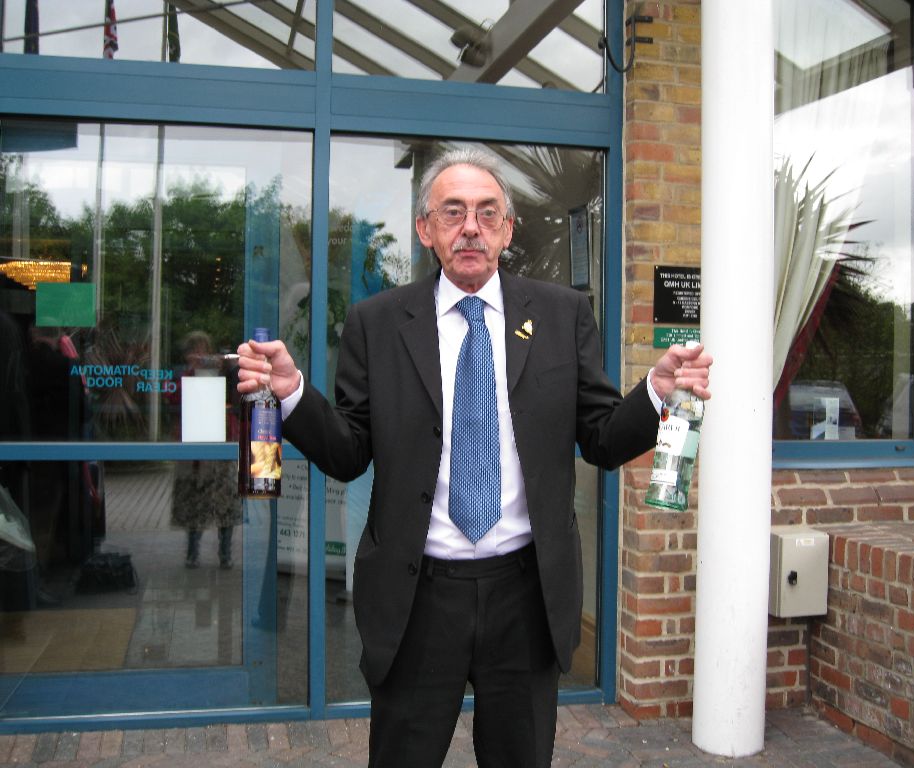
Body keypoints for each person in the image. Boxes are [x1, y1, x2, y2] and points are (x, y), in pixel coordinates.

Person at [236, 148, 713, 768]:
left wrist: (656, 393)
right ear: (425, 229)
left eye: (488, 214)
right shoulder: (377, 323)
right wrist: (292, 392)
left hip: (526, 595)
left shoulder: (562, 315)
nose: (471, 228)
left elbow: (602, 438)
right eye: (453, 212)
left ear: (508, 230)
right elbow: (348, 452)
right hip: (417, 597)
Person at [171, 330, 241, 569]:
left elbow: (237, 398)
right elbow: (174, 400)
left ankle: (225, 553)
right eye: (195, 351)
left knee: (226, 501)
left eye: (204, 351)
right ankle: (192, 552)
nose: (200, 356)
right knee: (194, 501)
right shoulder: (184, 376)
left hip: (221, 445)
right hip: (195, 450)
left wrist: (227, 367)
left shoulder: (224, 374)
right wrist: (192, 372)